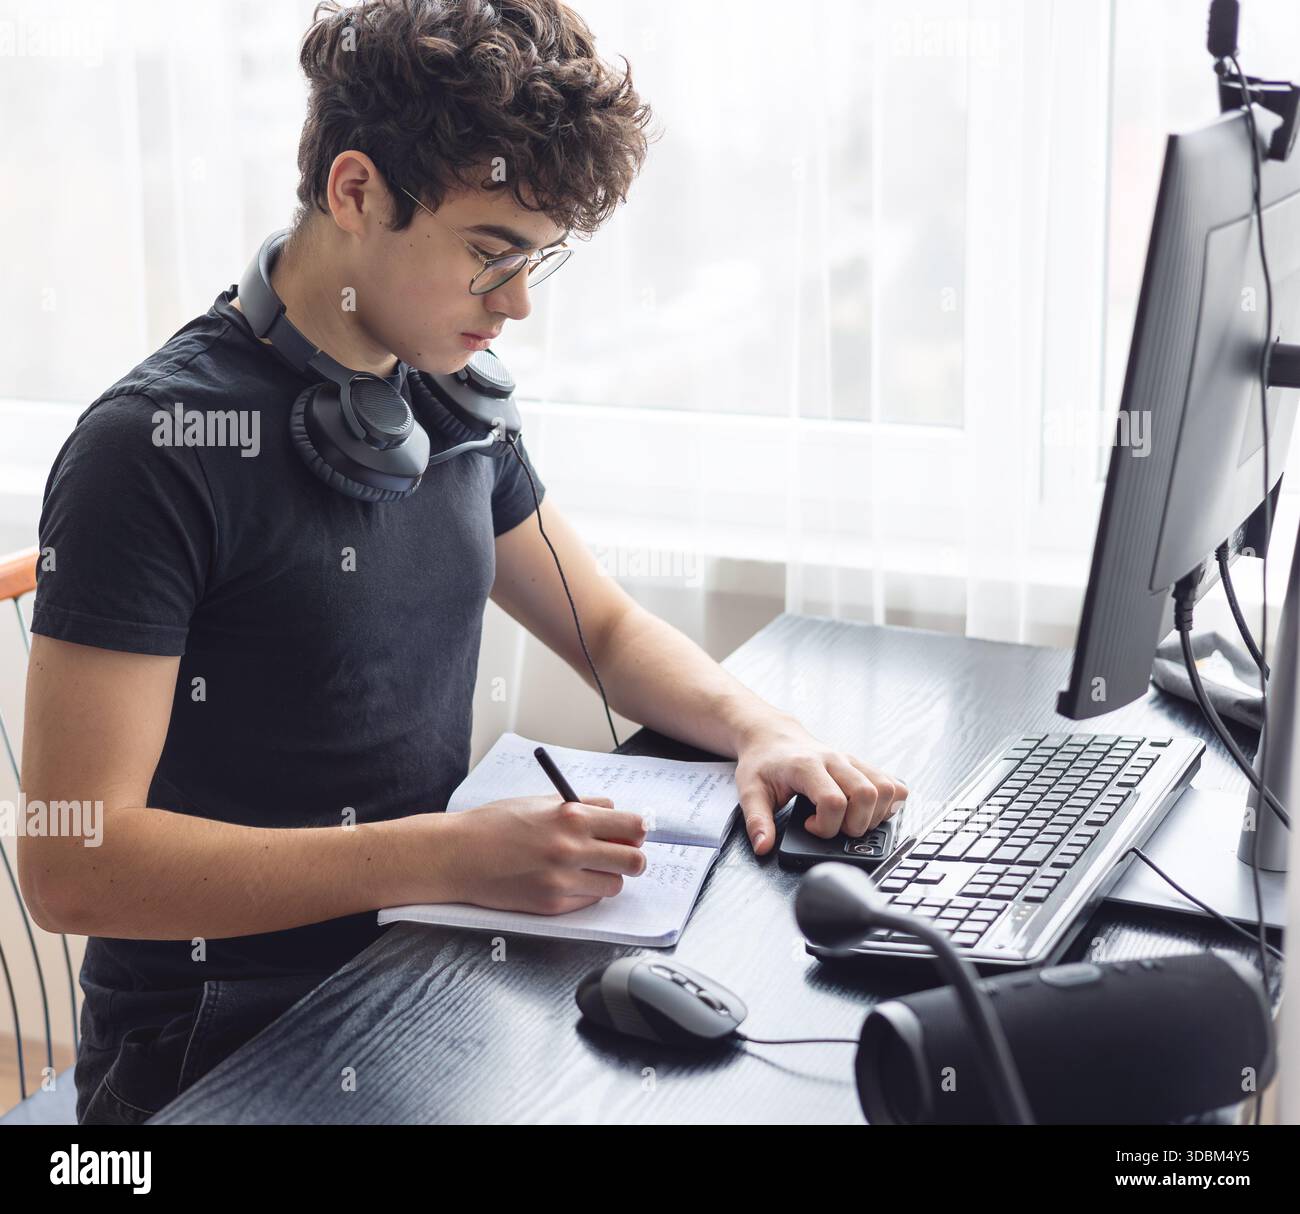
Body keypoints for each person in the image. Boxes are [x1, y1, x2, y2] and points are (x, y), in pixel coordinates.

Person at [18, 0, 907, 1126]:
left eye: (537, 260)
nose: (519, 303)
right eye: (489, 253)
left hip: (422, 968)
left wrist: (762, 727)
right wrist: (442, 857)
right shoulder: (149, 449)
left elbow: (611, 632)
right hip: (219, 1035)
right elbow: (75, 863)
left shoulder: (440, 398)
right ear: (354, 192)